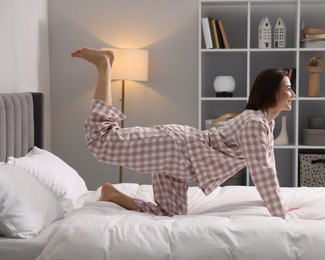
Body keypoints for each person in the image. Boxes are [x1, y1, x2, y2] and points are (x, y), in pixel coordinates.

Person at [71, 47, 296, 219]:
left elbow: (268, 164)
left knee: (172, 214)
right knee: (101, 141)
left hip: (183, 161)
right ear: (272, 91)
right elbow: (262, 172)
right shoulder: (254, 123)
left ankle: (112, 194)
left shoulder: (266, 124)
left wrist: (279, 204)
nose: (292, 93)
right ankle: (104, 65)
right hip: (174, 147)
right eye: (287, 88)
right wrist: (280, 214)